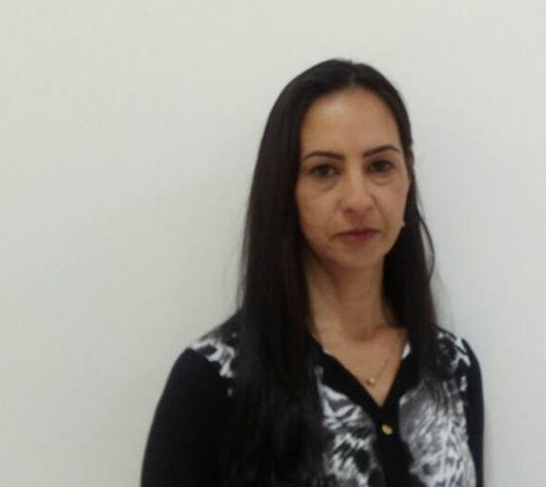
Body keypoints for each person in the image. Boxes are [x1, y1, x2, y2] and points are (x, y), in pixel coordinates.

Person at [141, 59, 484, 486]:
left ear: (408, 175)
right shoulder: (214, 379)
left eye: (380, 166)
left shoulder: (451, 367)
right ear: (286, 189)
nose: (358, 199)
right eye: (325, 171)